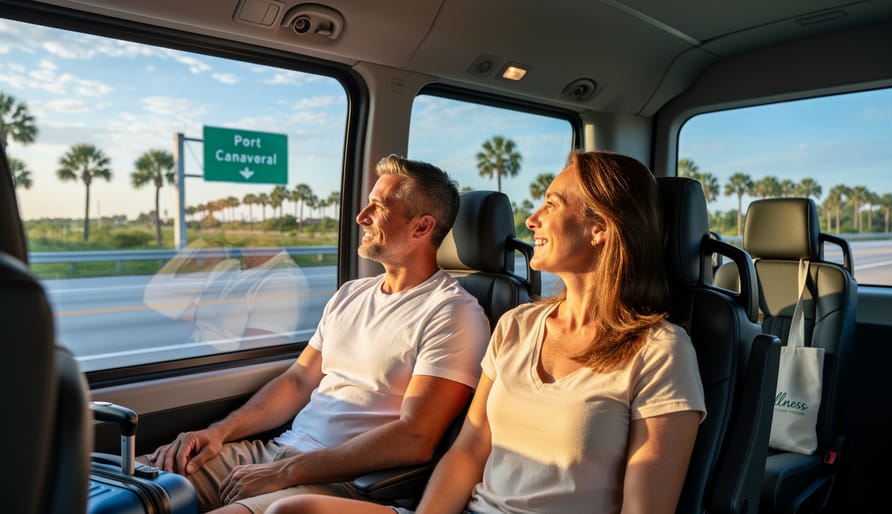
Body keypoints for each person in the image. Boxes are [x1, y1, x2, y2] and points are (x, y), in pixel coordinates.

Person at [264, 150, 706, 514]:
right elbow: (469, 451)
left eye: (551, 204)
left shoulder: (661, 351)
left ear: (601, 228)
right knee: (291, 511)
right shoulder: (517, 325)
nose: (532, 220)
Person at [145, 154, 491, 514]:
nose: (362, 217)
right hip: (274, 453)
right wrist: (218, 433)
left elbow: (415, 437)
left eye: (379, 207)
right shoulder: (350, 294)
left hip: (341, 479)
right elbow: (297, 382)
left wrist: (286, 472)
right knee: (130, 486)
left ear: (421, 228)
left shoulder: (452, 313)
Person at [144, 240, 309, 351]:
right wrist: (195, 246)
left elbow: (254, 359)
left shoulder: (282, 280)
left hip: (214, 370)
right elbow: (155, 296)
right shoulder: (229, 267)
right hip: (190, 353)